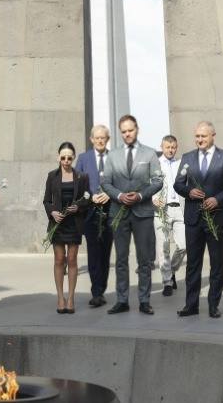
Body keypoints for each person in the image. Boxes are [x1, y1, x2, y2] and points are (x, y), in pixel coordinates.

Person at [174, 121, 223, 319]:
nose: (199, 140)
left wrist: (217, 199)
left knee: (217, 263)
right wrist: (188, 191)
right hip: (193, 219)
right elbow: (178, 183)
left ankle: (213, 304)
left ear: (213, 135)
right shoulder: (187, 158)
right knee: (193, 264)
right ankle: (191, 304)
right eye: (197, 136)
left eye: (203, 136)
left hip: (216, 218)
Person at [100, 115, 162, 315]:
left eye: (130, 130)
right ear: (121, 133)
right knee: (121, 259)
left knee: (144, 260)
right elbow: (105, 181)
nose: (127, 134)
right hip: (119, 212)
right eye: (124, 131)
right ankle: (122, 300)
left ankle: (144, 300)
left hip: (142, 212)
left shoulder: (150, 153)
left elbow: (158, 180)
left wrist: (141, 195)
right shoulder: (113, 156)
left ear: (137, 129)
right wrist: (118, 195)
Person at [43, 142, 90, 314]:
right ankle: (60, 298)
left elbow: (88, 199)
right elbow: (46, 200)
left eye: (69, 157)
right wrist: (52, 213)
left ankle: (70, 298)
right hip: (58, 223)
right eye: (63, 157)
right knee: (59, 259)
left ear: (74, 158)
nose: (66, 160)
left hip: (74, 223)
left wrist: (79, 207)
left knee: (71, 259)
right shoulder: (52, 176)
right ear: (58, 158)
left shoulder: (82, 176)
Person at [74, 125, 114, 308]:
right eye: (97, 138)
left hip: (110, 213)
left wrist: (109, 193)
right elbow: (78, 184)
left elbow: (120, 180)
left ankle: (101, 289)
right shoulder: (83, 159)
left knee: (105, 254)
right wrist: (91, 195)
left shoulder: (114, 158)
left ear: (108, 139)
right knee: (93, 254)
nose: (100, 141)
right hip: (90, 213)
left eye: (103, 138)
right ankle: (96, 292)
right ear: (91, 139)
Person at [153, 135, 186, 297]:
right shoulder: (155, 164)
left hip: (180, 209)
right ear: (162, 146)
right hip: (161, 210)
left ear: (176, 147)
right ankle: (167, 282)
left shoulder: (182, 164)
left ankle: (172, 270)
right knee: (163, 248)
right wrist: (153, 199)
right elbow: (147, 184)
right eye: (167, 147)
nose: (170, 150)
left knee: (183, 246)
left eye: (173, 147)